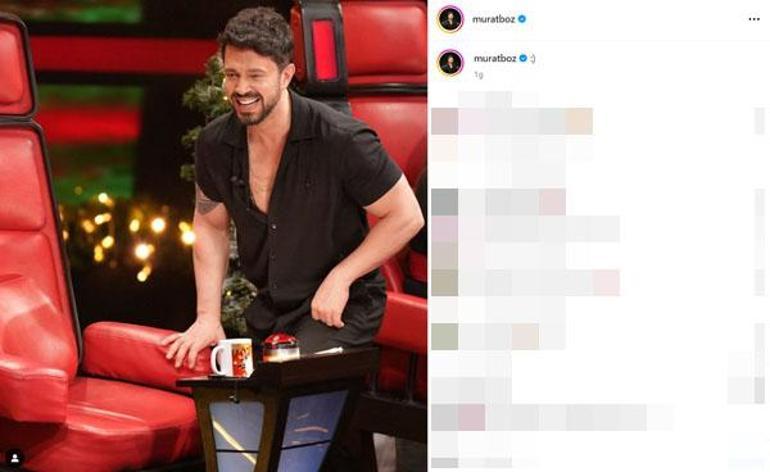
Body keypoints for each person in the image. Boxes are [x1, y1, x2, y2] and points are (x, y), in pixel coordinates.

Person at [162, 7, 424, 368]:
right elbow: (210, 224)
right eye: (232, 75)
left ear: (286, 75)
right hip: (271, 312)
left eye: (255, 75)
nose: (241, 88)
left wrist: (341, 277)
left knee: (286, 381)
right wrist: (208, 317)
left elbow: (406, 216)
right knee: (234, 386)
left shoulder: (341, 138)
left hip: (341, 307)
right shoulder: (215, 143)